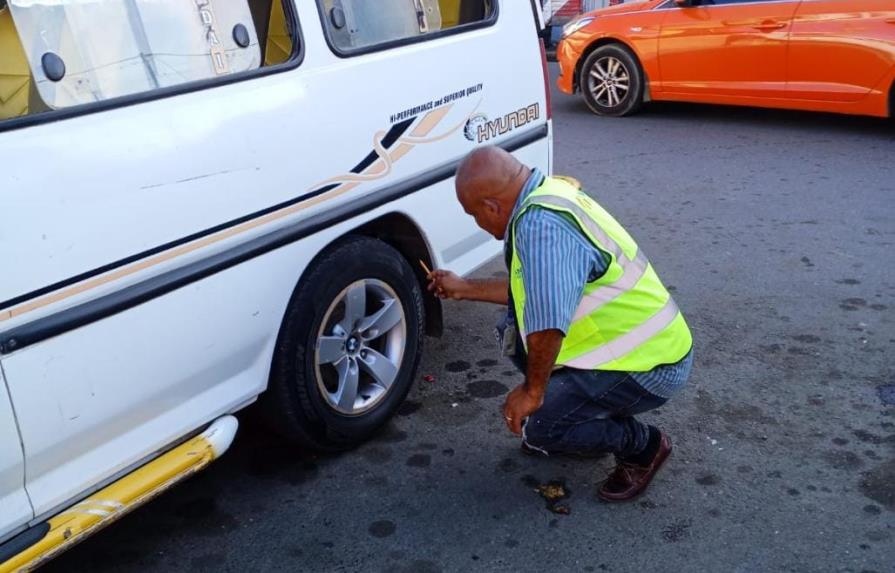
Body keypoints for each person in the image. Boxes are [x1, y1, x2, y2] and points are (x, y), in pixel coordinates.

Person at [428, 146, 693, 502]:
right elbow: (534, 289)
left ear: (491, 207)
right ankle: (580, 416)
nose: (477, 222)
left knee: (540, 429)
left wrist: (533, 394)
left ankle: (643, 446)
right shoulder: (548, 192)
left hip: (650, 365)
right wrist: (464, 288)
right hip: (644, 346)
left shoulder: (541, 227)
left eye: (474, 214)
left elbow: (548, 324)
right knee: (510, 331)